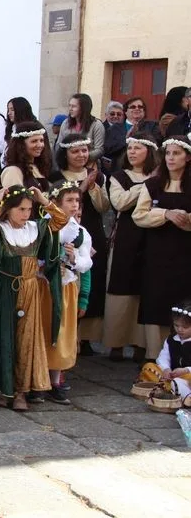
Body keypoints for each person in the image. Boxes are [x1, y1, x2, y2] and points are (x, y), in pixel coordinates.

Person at [0, 186, 67, 411]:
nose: (26, 214)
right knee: (5, 336)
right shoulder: (1, 228)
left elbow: (60, 220)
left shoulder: (36, 228)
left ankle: (21, 392)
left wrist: (43, 200)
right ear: (8, 210)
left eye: (28, 209)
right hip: (6, 288)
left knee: (27, 338)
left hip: (30, 288)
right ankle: (2, 389)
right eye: (21, 209)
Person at [51, 134, 110, 354]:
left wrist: (93, 187)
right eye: (75, 151)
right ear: (65, 153)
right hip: (64, 231)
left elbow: (104, 206)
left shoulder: (98, 176)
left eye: (84, 150)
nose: (81, 155)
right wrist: (82, 188)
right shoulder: (56, 176)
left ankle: (85, 337)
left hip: (90, 228)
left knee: (90, 279)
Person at [133, 136, 191, 360]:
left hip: (185, 253)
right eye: (168, 153)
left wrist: (185, 219)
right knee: (155, 300)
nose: (171, 158)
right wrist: (166, 214)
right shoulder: (153, 185)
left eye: (176, 153)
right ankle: (154, 355)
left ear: (187, 157)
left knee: (183, 298)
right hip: (157, 252)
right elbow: (139, 215)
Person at [104, 133, 158, 361]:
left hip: (150, 235)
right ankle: (116, 342)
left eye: (138, 148)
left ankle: (141, 344)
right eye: (130, 148)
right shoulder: (119, 177)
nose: (132, 152)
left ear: (149, 152)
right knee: (122, 286)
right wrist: (146, 185)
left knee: (145, 287)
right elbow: (120, 202)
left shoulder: (160, 178)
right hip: (127, 235)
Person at [46, 182, 92, 404]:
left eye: (77, 201)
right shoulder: (44, 226)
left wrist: (74, 258)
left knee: (62, 332)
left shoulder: (80, 232)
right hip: (44, 288)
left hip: (66, 287)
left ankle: (56, 379)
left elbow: (87, 263)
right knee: (44, 330)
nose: (74, 205)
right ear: (56, 203)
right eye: (69, 201)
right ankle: (37, 377)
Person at [137, 301, 191, 405]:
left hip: (187, 376)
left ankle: (179, 392)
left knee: (185, 380)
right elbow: (164, 356)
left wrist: (185, 370)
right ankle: (172, 389)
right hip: (171, 377)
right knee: (149, 367)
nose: (180, 329)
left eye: (185, 327)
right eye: (176, 325)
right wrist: (166, 369)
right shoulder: (171, 340)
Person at [1, 122, 53, 193]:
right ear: (21, 145)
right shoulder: (12, 171)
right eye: (34, 141)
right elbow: (15, 199)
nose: (40, 145)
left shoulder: (37, 167)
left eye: (41, 140)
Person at [55, 93, 105, 162]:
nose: (70, 109)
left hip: (89, 163)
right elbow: (58, 145)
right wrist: (67, 157)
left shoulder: (96, 125)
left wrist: (81, 157)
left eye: (74, 106)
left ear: (83, 108)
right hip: (67, 163)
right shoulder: (66, 123)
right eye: (69, 106)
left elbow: (99, 150)